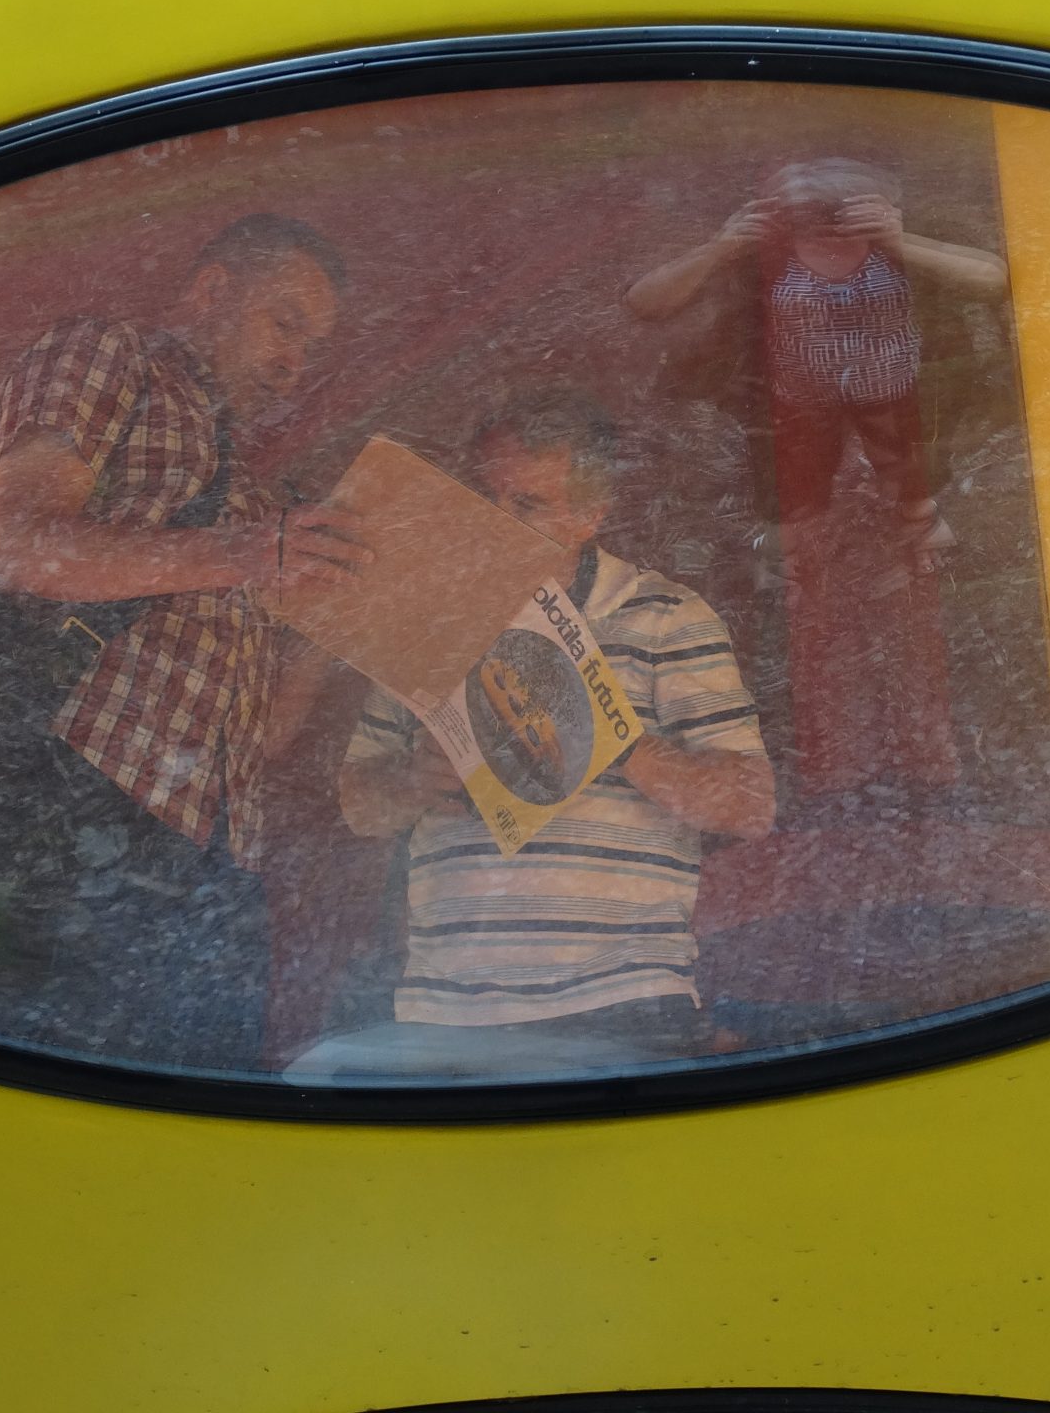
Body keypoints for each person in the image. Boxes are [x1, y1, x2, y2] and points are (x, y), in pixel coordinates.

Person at [0, 211, 370, 1065]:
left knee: (206, 1118)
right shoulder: (111, 354)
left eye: (312, 347)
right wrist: (245, 552)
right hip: (85, 815)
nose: (294, 363)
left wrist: (338, 627)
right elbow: (19, 548)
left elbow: (264, 736)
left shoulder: (254, 493)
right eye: (284, 323)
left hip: (220, 865)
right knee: (39, 1098)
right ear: (212, 291)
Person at [307, 390, 773, 1079]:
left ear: (592, 514)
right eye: (483, 498)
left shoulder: (667, 617)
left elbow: (748, 805)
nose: (496, 523)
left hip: (621, 999)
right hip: (447, 1006)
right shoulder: (427, 615)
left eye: (526, 504)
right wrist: (413, 777)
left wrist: (608, 735)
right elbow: (358, 805)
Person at [621, 158, 1009, 566]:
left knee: (909, 457)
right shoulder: (761, 254)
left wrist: (900, 240)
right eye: (811, 212)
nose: (829, 223)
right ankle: (786, 538)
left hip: (893, 385)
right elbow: (645, 303)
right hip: (795, 395)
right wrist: (721, 247)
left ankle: (918, 518)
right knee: (787, 468)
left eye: (844, 210)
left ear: (880, 206)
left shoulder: (897, 243)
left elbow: (992, 280)